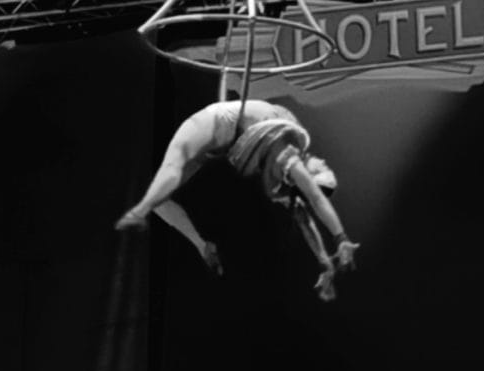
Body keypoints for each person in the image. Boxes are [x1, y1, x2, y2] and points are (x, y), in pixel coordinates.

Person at [115, 98, 358, 301]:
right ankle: (201, 245)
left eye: (322, 169)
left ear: (309, 176)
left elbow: (314, 199)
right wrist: (325, 261)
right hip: (218, 139)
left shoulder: (286, 157)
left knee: (156, 194)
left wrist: (341, 237)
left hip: (212, 125)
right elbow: (304, 216)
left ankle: (201, 245)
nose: (324, 162)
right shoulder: (284, 172)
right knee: (157, 200)